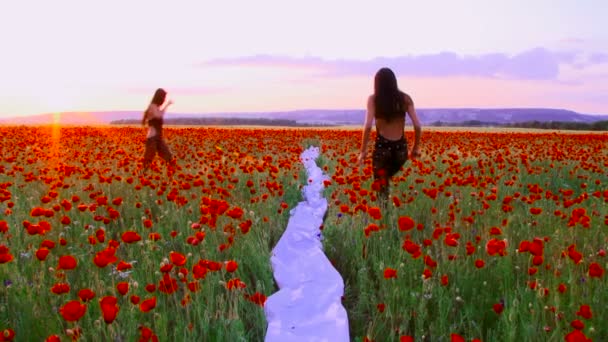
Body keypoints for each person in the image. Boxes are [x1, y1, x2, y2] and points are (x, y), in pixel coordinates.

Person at [357, 68, 422, 204]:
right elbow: (417, 125)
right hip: (401, 151)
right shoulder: (405, 99)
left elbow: (368, 126)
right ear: (394, 81)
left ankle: (383, 218)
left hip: (382, 149)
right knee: (385, 182)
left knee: (381, 190)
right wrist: (415, 148)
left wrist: (363, 151)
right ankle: (386, 216)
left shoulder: (373, 99)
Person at [141, 88, 175, 173]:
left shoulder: (155, 107)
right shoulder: (152, 106)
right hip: (152, 137)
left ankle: (172, 174)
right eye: (163, 97)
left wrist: (167, 105)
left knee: (168, 156)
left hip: (158, 137)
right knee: (148, 158)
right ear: (159, 97)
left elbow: (159, 114)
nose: (164, 99)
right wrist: (167, 105)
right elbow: (158, 115)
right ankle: (142, 175)